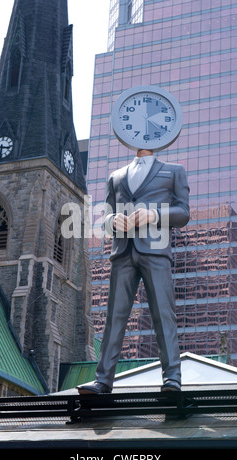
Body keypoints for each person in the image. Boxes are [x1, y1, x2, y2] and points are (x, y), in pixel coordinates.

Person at [78, 149, 190, 394]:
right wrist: (112, 221)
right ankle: (103, 380)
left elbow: (183, 213)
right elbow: (106, 216)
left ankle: (172, 378)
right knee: (114, 317)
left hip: (156, 250)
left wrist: (154, 215)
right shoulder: (116, 176)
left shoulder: (174, 171)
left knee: (163, 314)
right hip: (123, 251)